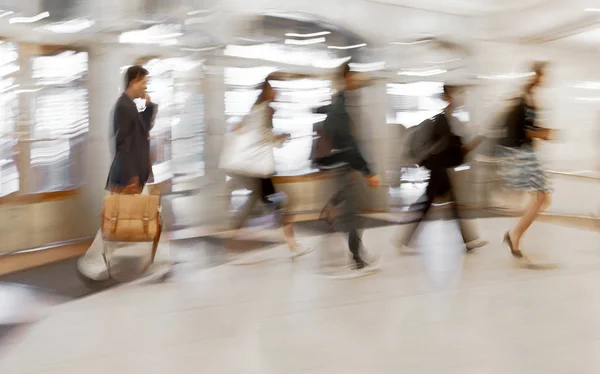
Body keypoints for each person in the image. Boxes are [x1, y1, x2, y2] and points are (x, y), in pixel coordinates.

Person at [77, 65, 160, 283]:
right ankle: (96, 261)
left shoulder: (134, 104)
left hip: (135, 171)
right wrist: (131, 175)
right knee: (118, 219)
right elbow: (123, 143)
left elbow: (144, 128)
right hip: (128, 173)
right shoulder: (123, 106)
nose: (145, 85)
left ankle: (138, 262)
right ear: (133, 81)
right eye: (143, 82)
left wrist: (148, 105)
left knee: (130, 218)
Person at [226, 73, 310, 258]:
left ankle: (233, 239)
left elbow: (247, 131)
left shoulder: (256, 110)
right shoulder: (265, 110)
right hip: (259, 169)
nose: (276, 92)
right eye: (273, 89)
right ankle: (292, 245)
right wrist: (282, 138)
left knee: (258, 203)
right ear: (266, 92)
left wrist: (277, 138)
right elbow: (265, 136)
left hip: (255, 168)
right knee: (284, 203)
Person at [397, 84, 487, 252]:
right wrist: (475, 142)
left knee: (448, 205)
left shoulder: (450, 119)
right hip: (438, 169)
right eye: (455, 94)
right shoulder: (442, 120)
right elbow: (454, 149)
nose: (459, 97)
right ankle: (403, 241)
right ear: (446, 97)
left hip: (441, 169)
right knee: (429, 205)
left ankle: (468, 241)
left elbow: (456, 148)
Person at [315, 63, 381, 272]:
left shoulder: (341, 102)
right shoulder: (340, 106)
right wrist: (368, 171)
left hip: (339, 162)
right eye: (354, 77)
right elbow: (348, 143)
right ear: (347, 78)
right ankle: (357, 257)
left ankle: (330, 209)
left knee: (348, 200)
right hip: (341, 161)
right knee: (352, 211)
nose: (357, 82)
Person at [497, 62, 554, 258]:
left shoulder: (527, 98)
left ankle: (515, 234)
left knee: (544, 199)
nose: (543, 79)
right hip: (523, 155)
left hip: (526, 154)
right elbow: (523, 130)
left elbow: (529, 127)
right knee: (540, 198)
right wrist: (542, 134)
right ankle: (514, 237)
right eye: (541, 75)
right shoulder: (524, 99)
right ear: (533, 76)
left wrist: (542, 132)